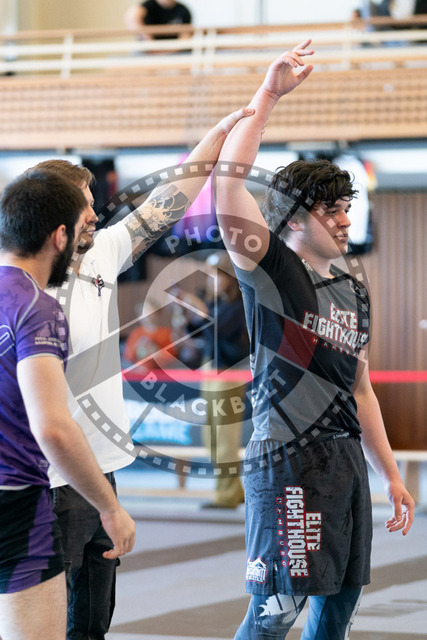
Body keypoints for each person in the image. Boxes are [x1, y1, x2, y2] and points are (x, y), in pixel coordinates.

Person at [215, 40, 415, 639]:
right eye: (332, 210)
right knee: (276, 613)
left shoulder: (353, 292)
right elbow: (228, 189)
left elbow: (362, 390)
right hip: (286, 461)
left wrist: (390, 473)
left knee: (338, 610)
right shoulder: (272, 272)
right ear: (295, 220)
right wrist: (269, 94)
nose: (346, 220)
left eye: (347, 207)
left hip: (344, 463)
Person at [32, 105, 253, 639]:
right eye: (86, 205)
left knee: (92, 624)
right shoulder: (21, 282)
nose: (96, 213)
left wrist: (218, 135)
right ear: (56, 218)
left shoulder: (101, 254)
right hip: (48, 480)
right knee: (41, 624)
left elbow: (166, 202)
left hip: (100, 469)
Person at [0, 170, 135, 640]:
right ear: (61, 235)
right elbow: (53, 428)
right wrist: (110, 507)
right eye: (83, 216)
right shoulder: (36, 308)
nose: (92, 221)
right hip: (22, 495)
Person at [174, 251, 249, 508]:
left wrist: (201, 312)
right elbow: (201, 333)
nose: (211, 280)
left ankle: (226, 495)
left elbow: (219, 331)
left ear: (230, 278)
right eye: (209, 275)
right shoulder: (217, 304)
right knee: (212, 438)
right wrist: (187, 314)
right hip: (211, 373)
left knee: (225, 438)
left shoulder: (240, 304)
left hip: (228, 375)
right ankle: (234, 489)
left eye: (217, 275)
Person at [124, 0, 192, 40]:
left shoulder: (183, 10)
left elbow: (185, 36)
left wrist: (168, 51)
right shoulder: (146, 7)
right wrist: (148, 40)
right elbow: (132, 18)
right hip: (148, 49)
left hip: (175, 50)